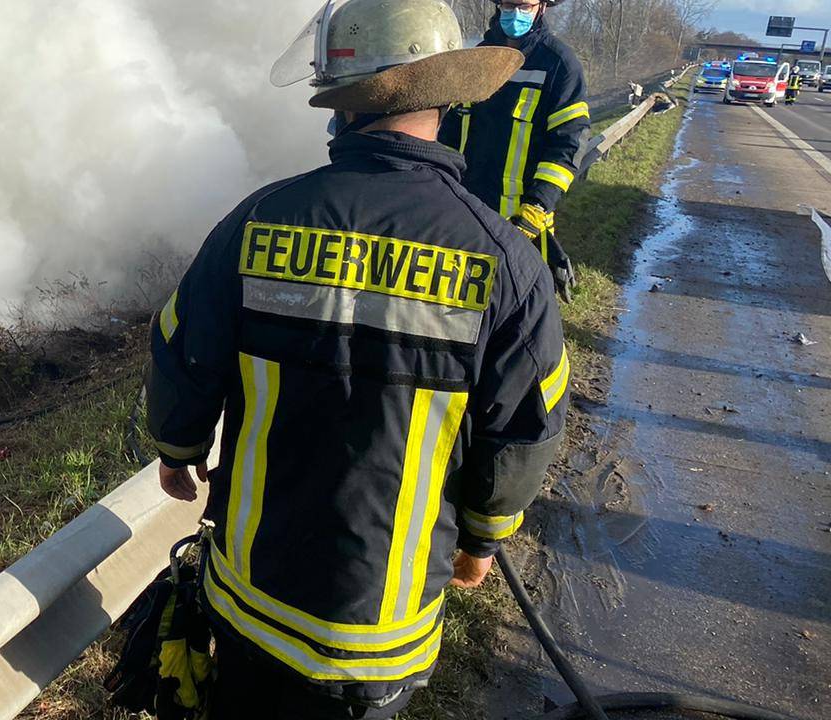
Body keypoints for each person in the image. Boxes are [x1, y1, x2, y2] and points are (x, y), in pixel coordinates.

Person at [146, 0, 569, 716]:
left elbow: (183, 350)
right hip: (383, 632)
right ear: (444, 99)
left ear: (340, 109)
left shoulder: (256, 222)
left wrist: (177, 447)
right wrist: (483, 539)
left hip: (253, 603)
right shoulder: (504, 261)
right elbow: (524, 427)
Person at [440, 0, 589, 303]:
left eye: (523, 6)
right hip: (465, 217)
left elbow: (568, 145)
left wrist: (537, 206)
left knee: (516, 318)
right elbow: (447, 136)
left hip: (522, 226)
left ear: (542, 6)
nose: (514, 14)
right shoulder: (477, 59)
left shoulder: (559, 65)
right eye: (508, 5)